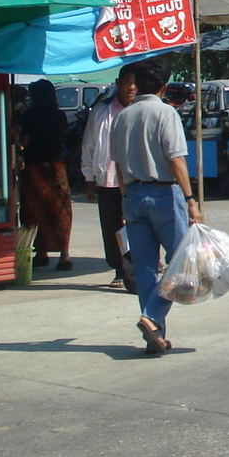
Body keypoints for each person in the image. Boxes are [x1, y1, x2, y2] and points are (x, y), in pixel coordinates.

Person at [111, 57, 203, 356]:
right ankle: (152, 316)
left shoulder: (122, 117)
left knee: (146, 268)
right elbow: (176, 159)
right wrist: (191, 200)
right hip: (163, 194)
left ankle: (156, 333)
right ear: (164, 86)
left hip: (132, 195)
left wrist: (126, 201)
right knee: (182, 262)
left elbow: (118, 166)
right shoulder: (166, 113)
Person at [80, 63, 140, 292]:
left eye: (135, 83)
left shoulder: (142, 110)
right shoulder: (101, 112)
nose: (131, 88)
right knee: (112, 228)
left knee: (137, 224)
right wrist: (89, 178)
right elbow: (90, 145)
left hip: (136, 179)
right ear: (118, 84)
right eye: (126, 83)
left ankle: (139, 267)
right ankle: (119, 268)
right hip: (109, 180)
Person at [21, 79, 73, 271]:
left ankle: (41, 252)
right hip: (57, 166)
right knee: (61, 211)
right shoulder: (59, 115)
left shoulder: (30, 115)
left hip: (34, 166)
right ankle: (64, 255)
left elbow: (24, 141)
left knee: (35, 211)